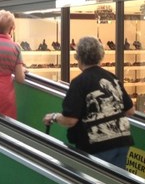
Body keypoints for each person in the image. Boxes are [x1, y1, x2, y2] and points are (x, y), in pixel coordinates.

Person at [43, 36, 135, 168]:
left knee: (95, 180)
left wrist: (54, 117)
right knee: (115, 180)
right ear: (100, 56)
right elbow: (130, 110)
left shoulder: (79, 83)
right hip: (122, 141)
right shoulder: (112, 78)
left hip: (97, 145)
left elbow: (70, 120)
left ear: (79, 58)